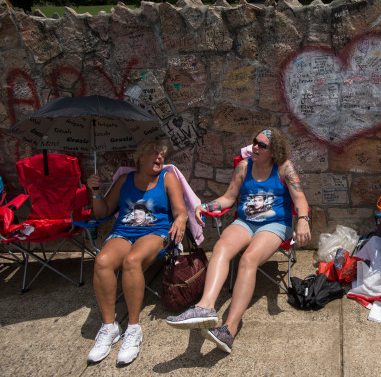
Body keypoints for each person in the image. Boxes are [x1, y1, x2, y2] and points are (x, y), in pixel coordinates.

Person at [165, 128, 311, 354]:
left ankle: (229, 329)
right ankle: (205, 307)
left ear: (273, 152)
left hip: (275, 225)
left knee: (249, 258)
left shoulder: (284, 168)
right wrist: (205, 206)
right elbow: (229, 198)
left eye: (262, 145)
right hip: (245, 221)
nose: (255, 147)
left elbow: (299, 198)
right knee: (221, 247)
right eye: (255, 142)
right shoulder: (244, 167)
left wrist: (302, 219)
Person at [86, 139, 188, 365]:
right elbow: (103, 210)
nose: (159, 157)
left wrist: (181, 218)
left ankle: (133, 329)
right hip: (123, 232)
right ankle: (109, 327)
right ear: (140, 158)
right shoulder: (125, 180)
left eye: (161, 154)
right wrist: (94, 193)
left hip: (155, 232)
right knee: (102, 260)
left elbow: (181, 210)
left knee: (132, 260)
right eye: (154, 153)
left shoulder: (167, 178)